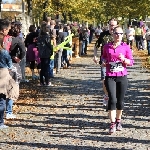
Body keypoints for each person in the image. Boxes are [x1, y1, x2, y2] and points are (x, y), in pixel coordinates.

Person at [101, 26, 134, 134]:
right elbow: (103, 57)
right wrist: (103, 61)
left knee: (120, 101)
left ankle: (118, 121)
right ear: (113, 34)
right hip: (110, 76)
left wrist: (124, 59)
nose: (118, 36)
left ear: (122, 35)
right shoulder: (107, 47)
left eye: (120, 34)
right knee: (112, 99)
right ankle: (112, 123)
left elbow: (131, 62)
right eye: (116, 33)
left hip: (122, 76)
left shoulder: (126, 47)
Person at [93, 18, 118, 107]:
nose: (112, 27)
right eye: (111, 25)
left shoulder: (119, 34)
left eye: (114, 25)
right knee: (104, 79)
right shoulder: (103, 35)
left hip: (116, 61)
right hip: (104, 60)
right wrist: (95, 55)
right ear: (108, 25)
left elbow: (124, 47)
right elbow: (96, 46)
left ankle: (114, 96)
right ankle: (106, 95)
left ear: (117, 25)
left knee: (115, 79)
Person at [0, 33, 19, 129]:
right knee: (2, 99)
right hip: (3, 75)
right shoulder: (4, 52)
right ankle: (0, 122)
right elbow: (10, 65)